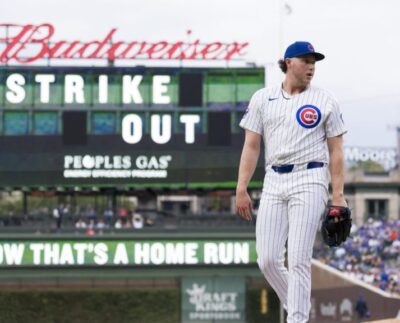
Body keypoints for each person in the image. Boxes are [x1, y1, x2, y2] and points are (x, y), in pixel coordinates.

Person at [236, 41, 347, 323]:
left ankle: (297, 319)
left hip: (310, 177)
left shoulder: (326, 99)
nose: (311, 66)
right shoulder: (263, 98)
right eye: (305, 60)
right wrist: (241, 188)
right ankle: (299, 306)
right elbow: (251, 146)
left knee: (298, 259)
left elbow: (336, 150)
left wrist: (339, 195)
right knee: (268, 259)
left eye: (314, 61)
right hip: (274, 178)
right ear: (288, 62)